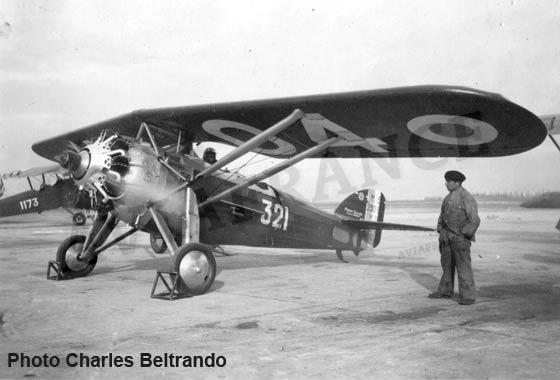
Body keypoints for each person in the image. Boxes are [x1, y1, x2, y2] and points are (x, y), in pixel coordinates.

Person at [429, 170, 480, 305]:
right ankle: (445, 291)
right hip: (446, 238)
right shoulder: (447, 198)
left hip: (459, 239)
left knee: (463, 267)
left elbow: (474, 220)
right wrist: (440, 229)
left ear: (457, 182)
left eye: (449, 182)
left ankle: (468, 296)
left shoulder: (466, 197)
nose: (446, 184)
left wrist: (463, 234)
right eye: (446, 181)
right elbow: (442, 216)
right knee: (447, 265)